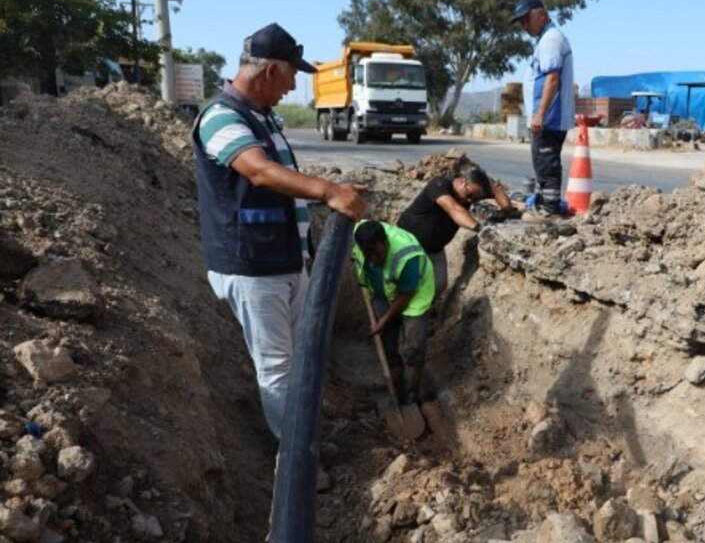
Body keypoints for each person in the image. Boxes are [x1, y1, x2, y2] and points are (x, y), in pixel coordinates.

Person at [193, 22, 366, 440]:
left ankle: (306, 432)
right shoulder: (221, 117)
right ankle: (294, 457)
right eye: (292, 76)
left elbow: (284, 177)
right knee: (276, 369)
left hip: (286, 259)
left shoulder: (263, 118)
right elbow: (259, 172)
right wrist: (327, 191)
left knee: (301, 356)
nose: (293, 87)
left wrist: (333, 191)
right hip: (253, 266)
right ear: (271, 71)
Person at [396, 168, 514, 300]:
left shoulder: (474, 191)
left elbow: (503, 201)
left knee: (439, 284)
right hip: (406, 241)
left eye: (476, 198)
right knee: (402, 282)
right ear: (462, 182)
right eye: (469, 195)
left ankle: (419, 309)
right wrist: (480, 229)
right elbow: (453, 209)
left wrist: (497, 193)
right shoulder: (439, 185)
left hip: (433, 249)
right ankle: (396, 311)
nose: (471, 201)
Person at [351, 220, 434, 403]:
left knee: (414, 347)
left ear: (386, 242)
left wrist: (384, 320)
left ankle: (413, 393)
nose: (374, 259)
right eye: (368, 255)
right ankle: (396, 391)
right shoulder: (359, 232)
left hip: (414, 296)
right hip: (382, 295)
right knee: (387, 345)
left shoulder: (407, 255)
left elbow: (405, 295)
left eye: (378, 254)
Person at [512, 0, 575, 221]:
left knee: (547, 162)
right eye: (520, 22)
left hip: (549, 118)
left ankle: (550, 211)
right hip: (545, 118)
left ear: (540, 14)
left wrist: (540, 113)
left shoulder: (550, 39)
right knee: (541, 163)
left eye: (526, 20)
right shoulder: (545, 39)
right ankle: (542, 204)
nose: (524, 26)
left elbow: (552, 78)